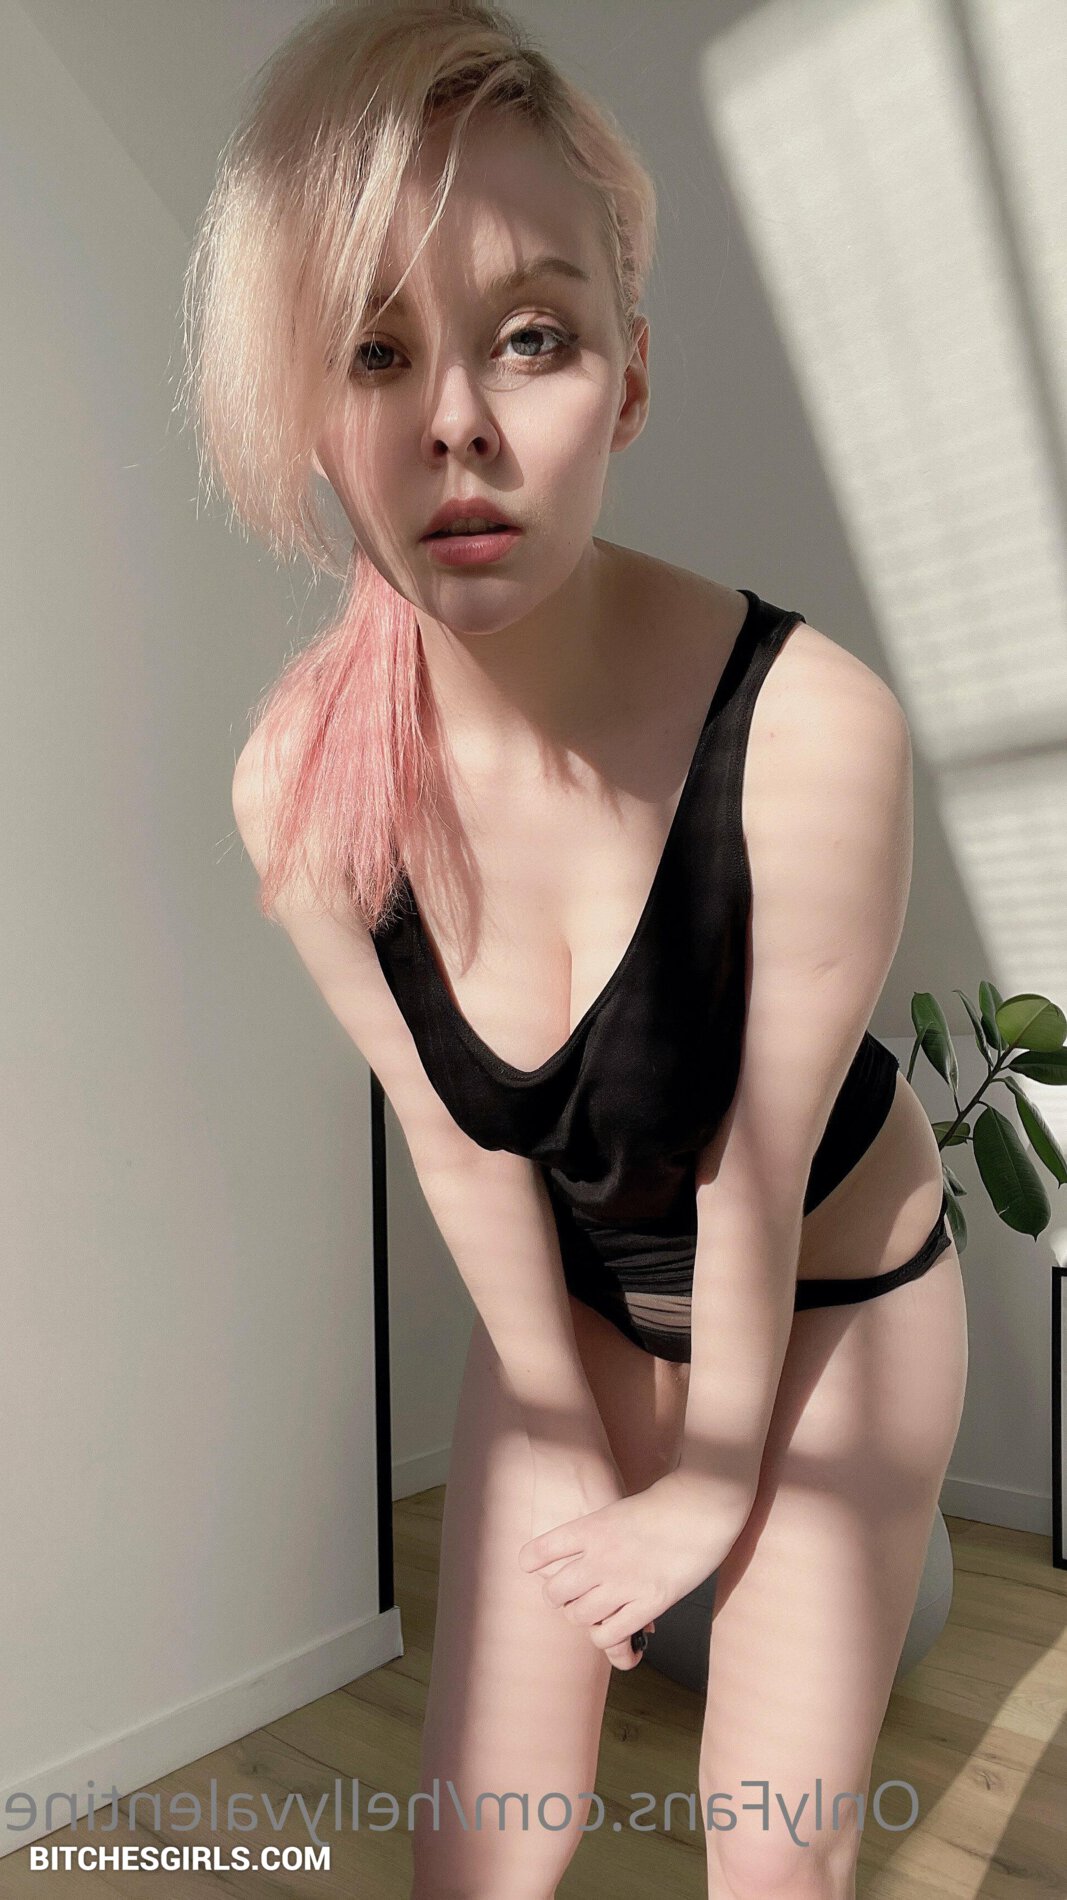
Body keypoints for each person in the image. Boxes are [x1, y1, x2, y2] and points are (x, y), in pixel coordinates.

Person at [181, 3, 970, 1893]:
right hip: (579, 1300)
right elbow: (460, 1151)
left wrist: (709, 1484)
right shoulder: (301, 792)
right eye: (376, 348)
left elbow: (753, 1172)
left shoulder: (812, 733)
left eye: (530, 333)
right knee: (479, 1850)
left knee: (771, 1857)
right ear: (311, 410)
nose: (454, 417)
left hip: (832, 1302)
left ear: (627, 381)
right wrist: (574, 1426)